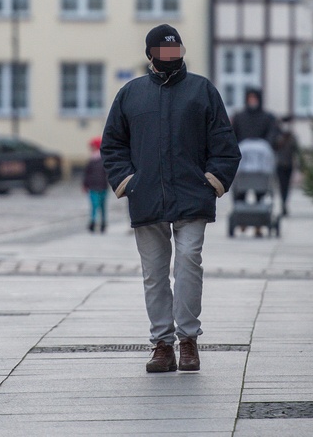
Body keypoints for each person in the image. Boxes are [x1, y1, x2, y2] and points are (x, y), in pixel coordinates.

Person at [101, 24, 241, 373]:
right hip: (146, 196)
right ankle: (162, 344)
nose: (170, 57)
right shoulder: (130, 94)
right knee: (154, 272)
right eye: (163, 51)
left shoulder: (201, 91)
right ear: (150, 54)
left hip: (192, 194)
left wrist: (212, 181)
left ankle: (188, 340)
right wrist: (128, 183)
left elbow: (225, 145)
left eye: (175, 50)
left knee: (189, 261)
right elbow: (112, 145)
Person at [274, 116, 299, 217]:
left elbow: (296, 151)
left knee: (287, 186)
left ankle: (284, 203)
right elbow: (274, 147)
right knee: (282, 185)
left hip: (289, 165)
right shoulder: (279, 136)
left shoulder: (292, 137)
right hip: (279, 165)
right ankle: (283, 203)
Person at [82, 136, 108, 233]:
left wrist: (85, 185)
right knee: (102, 207)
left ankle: (93, 223)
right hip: (102, 186)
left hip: (94, 187)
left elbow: (87, 174)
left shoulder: (92, 160)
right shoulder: (104, 159)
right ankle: (102, 224)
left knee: (95, 206)